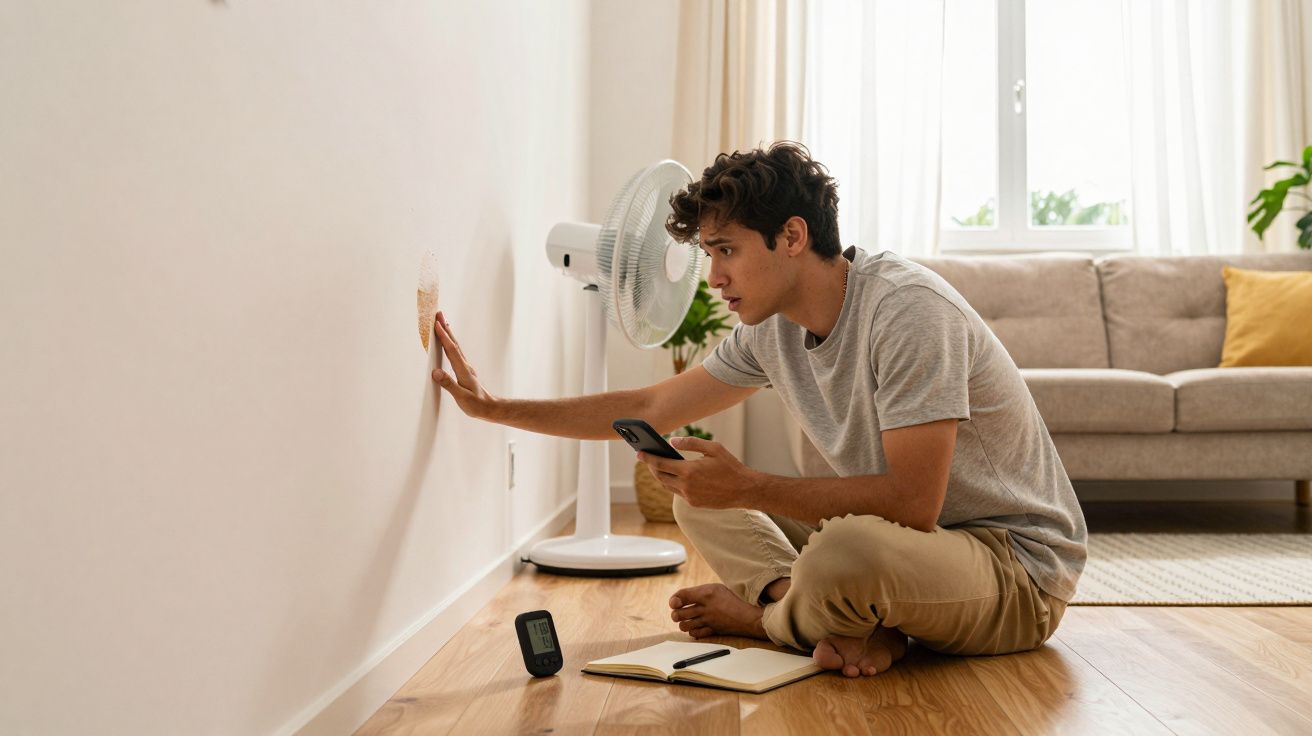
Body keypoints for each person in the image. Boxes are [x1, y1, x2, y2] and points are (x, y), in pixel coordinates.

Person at [431, 141, 1087, 679]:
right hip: (921, 552)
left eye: (726, 251)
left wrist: (748, 485)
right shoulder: (771, 330)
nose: (713, 278)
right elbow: (648, 406)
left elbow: (914, 504)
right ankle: (831, 619)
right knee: (693, 490)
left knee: (846, 550)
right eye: (709, 254)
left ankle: (768, 619)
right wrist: (493, 408)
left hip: (1014, 568)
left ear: (793, 236)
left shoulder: (906, 311)